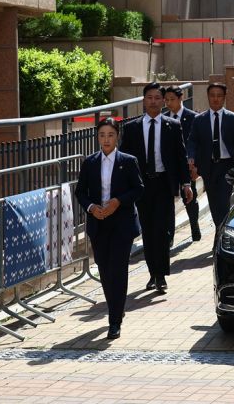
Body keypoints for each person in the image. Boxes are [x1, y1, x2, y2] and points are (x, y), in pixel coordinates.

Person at [120, 83, 193, 294]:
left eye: (157, 98)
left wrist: (186, 183)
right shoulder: (132, 128)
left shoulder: (172, 125)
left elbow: (180, 157)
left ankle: (161, 275)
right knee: (148, 231)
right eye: (149, 98)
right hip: (142, 186)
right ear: (144, 101)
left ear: (163, 101)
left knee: (162, 230)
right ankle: (153, 272)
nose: (153, 101)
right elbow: (125, 159)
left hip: (164, 183)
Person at [75, 118, 144, 340]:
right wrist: (92, 207)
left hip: (122, 223)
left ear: (117, 137)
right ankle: (116, 305)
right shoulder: (90, 162)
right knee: (104, 270)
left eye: (110, 135)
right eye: (102, 135)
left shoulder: (128, 161)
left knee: (118, 269)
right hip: (99, 222)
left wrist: (118, 201)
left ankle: (114, 320)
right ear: (97, 137)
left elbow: (138, 188)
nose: (106, 139)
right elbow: (80, 192)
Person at [186, 83, 234, 230]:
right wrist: (191, 157)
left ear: (224, 98)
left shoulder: (233, 118)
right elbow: (192, 141)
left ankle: (221, 234)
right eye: (212, 95)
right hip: (208, 166)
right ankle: (221, 231)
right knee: (213, 203)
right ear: (208, 97)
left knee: (224, 201)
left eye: (219, 96)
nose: (215, 99)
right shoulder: (199, 120)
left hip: (227, 166)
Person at [163, 86, 201, 242]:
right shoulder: (163, 118)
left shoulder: (192, 117)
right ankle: (169, 235)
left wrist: (196, 165)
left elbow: (198, 142)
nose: (169, 103)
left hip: (187, 165)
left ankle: (194, 226)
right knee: (168, 201)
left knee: (190, 198)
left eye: (172, 99)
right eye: (166, 100)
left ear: (181, 98)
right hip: (169, 167)